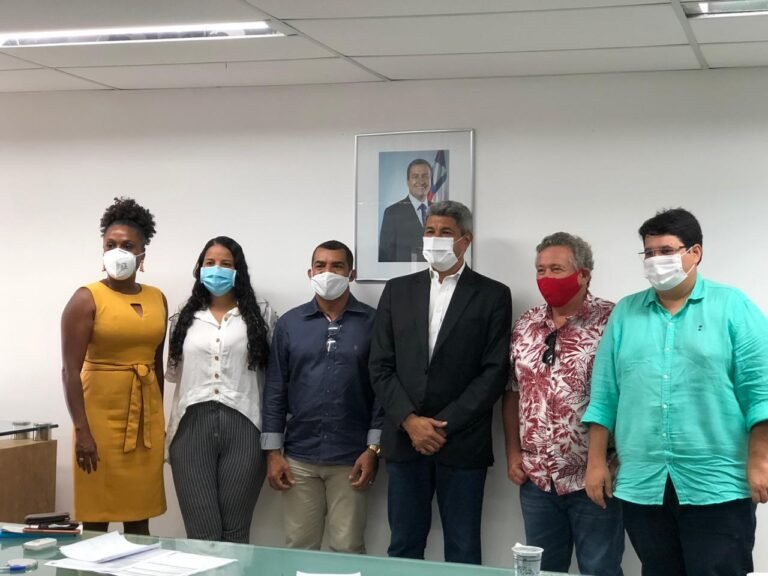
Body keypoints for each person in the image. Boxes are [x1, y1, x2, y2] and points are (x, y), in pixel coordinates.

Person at [583, 208, 768, 576]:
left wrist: (760, 459)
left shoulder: (733, 306)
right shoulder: (625, 314)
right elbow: (604, 394)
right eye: (649, 252)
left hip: (717, 483)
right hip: (643, 482)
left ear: (695, 252)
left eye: (666, 251)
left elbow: (759, 391)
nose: (656, 260)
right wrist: (596, 462)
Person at [369, 200, 512, 564]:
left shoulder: (493, 294)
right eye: (430, 231)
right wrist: (410, 421)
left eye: (445, 232)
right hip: (405, 439)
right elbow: (380, 364)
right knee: (403, 545)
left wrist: (440, 426)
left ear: (466, 240)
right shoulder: (397, 290)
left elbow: (494, 372)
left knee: (463, 549)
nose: (435, 239)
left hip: (462, 441)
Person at [503, 232, 623, 576]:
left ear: (583, 274)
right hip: (538, 479)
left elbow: (627, 395)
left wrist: (611, 462)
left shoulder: (613, 321)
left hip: (594, 477)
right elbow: (512, 392)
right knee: (541, 571)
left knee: (600, 569)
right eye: (540, 270)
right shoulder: (526, 324)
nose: (546, 278)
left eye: (556, 269)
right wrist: (513, 453)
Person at [261, 240, 381, 553]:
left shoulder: (374, 322)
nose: (328, 272)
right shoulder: (289, 324)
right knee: (300, 546)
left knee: (348, 548)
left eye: (337, 266)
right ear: (310, 272)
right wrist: (273, 452)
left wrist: (373, 448)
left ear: (351, 274)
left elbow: (382, 390)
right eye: (321, 266)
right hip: (298, 457)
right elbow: (275, 389)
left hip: (352, 457)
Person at [61, 196, 167, 534]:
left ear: (142, 254)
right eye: (110, 245)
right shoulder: (85, 298)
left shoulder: (157, 298)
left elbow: (156, 365)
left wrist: (159, 421)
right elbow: (69, 371)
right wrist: (82, 431)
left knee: (140, 519)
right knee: (97, 518)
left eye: (127, 245)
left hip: (145, 422)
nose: (117, 251)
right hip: (98, 422)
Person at [165, 236, 276, 543]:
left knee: (235, 532)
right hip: (190, 427)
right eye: (210, 263)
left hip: (246, 426)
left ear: (238, 270)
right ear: (199, 268)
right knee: (202, 532)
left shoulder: (262, 314)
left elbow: (274, 377)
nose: (217, 269)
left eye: (226, 264)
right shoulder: (183, 317)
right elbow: (174, 374)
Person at [378, 158, 432, 262]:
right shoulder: (392, 212)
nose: (421, 181)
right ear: (408, 181)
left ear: (431, 180)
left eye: (425, 176)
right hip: (404, 271)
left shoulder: (440, 211)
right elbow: (385, 255)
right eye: (415, 176)